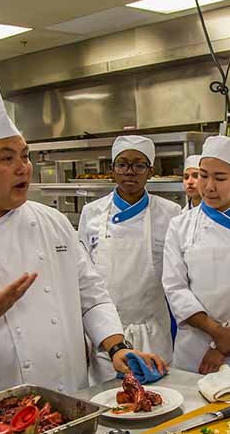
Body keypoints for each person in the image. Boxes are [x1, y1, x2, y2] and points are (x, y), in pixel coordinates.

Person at [0, 71, 166, 405]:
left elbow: (92, 296)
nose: (23, 167)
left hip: (71, 398)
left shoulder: (53, 223)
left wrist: (116, 346)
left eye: (24, 156)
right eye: (7, 158)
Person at [162, 136, 230, 381]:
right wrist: (216, 333)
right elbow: (175, 287)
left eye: (220, 178)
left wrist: (227, 342)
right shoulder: (180, 226)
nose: (209, 186)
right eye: (203, 175)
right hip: (194, 346)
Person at [77, 135, 181, 383]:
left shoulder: (170, 213)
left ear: (150, 171)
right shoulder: (91, 213)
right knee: (108, 402)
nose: (130, 172)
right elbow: (81, 279)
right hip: (104, 338)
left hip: (153, 332)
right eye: (122, 164)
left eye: (139, 165)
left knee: (159, 399)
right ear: (112, 170)